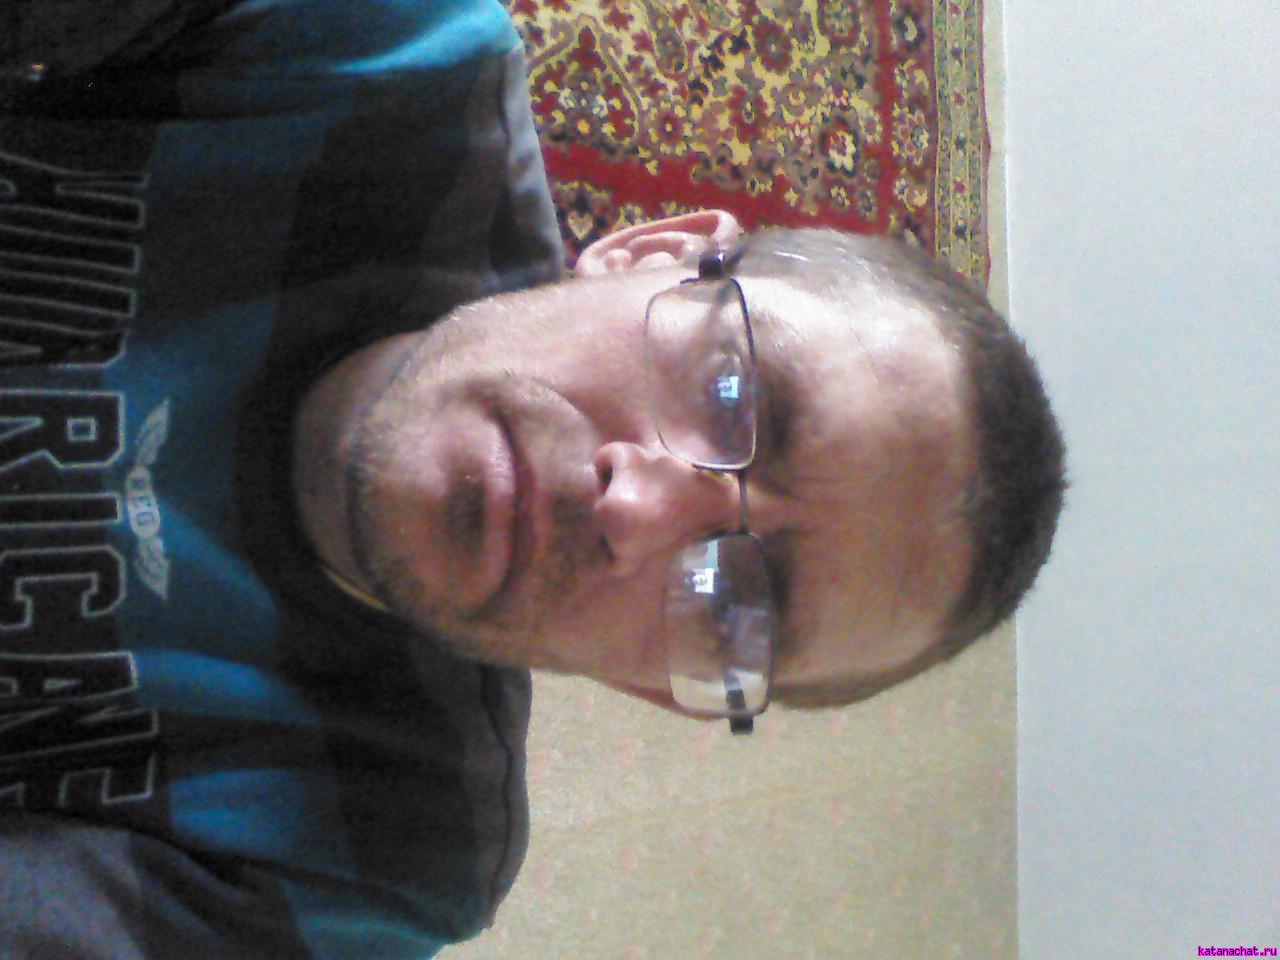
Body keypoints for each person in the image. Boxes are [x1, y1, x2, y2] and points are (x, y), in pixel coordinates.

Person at [0, 2, 1064, 959]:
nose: (635, 510)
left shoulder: (378, 851)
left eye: (736, 607)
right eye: (730, 388)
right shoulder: (383, 57)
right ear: (648, 249)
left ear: (662, 690)